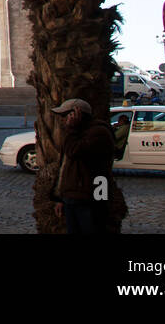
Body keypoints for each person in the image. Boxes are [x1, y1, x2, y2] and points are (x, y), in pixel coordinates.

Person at [49, 98, 115, 234]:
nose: (62, 120)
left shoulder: (98, 132)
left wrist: (71, 129)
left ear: (76, 115)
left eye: (64, 116)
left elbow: (74, 152)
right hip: (72, 197)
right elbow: (65, 167)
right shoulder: (76, 133)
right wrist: (61, 198)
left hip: (89, 198)